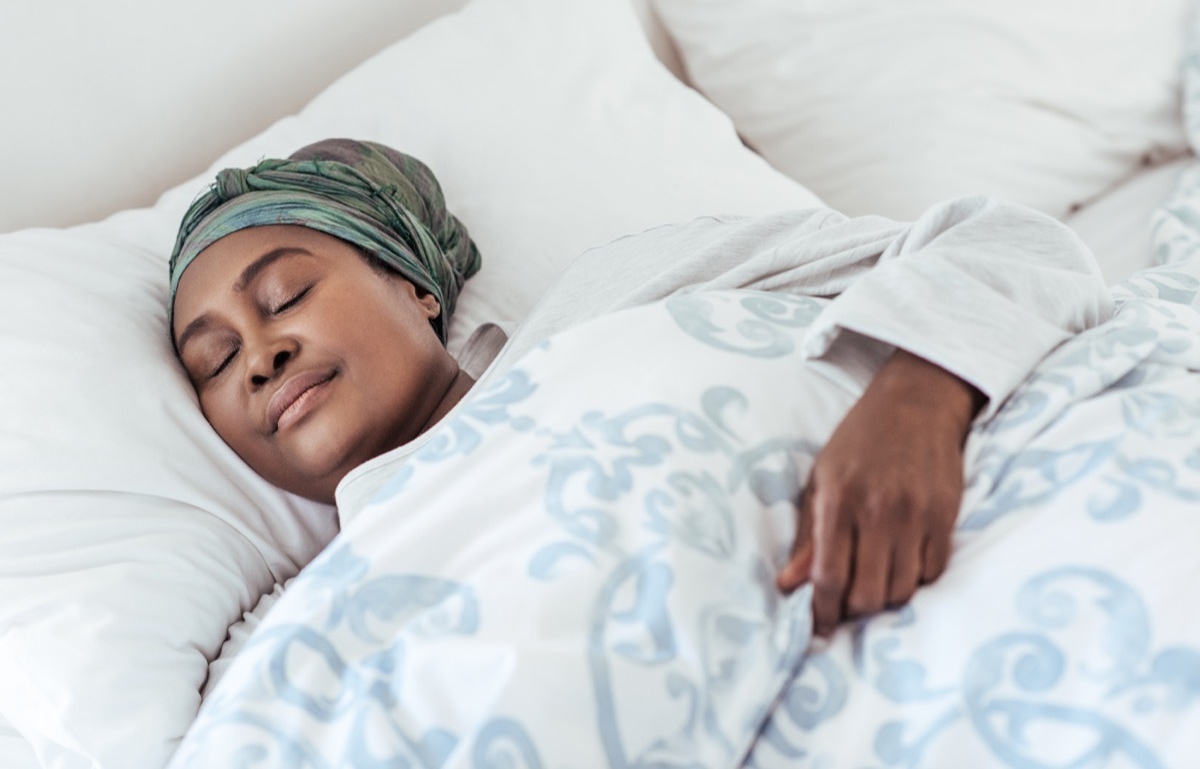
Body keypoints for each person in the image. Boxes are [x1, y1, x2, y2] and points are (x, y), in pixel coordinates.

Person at [169, 138, 1112, 636]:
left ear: (414, 290)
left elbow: (1008, 240)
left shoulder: (611, 298)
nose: (258, 355)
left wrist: (919, 401)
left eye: (286, 295)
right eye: (215, 363)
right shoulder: (322, 606)